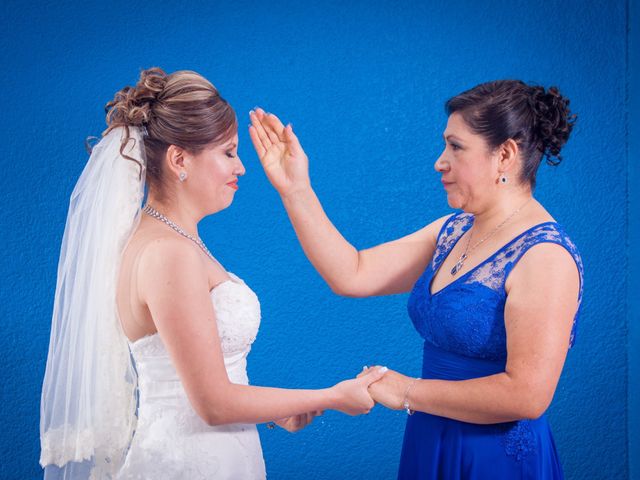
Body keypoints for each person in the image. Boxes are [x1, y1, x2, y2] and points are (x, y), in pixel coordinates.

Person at [39, 67, 388, 480]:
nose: (242, 168)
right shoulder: (169, 253)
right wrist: (331, 396)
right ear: (179, 159)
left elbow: (191, 380)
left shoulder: (168, 239)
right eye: (228, 152)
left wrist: (281, 412)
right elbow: (213, 404)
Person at [249, 79, 583, 479]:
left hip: (494, 459)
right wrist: (295, 188)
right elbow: (351, 273)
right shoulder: (452, 230)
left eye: (456, 147)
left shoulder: (546, 256)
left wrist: (406, 390)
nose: (440, 162)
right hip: (429, 437)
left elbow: (528, 395)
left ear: (505, 155)